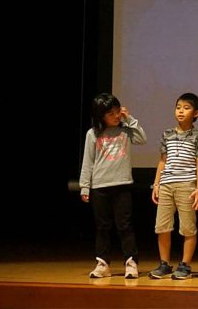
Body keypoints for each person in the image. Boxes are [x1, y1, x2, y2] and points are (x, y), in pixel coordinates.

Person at [79, 93, 147, 279]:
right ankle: (103, 264)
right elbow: (88, 161)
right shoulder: (93, 133)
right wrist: (85, 186)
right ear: (101, 116)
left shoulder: (126, 130)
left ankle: (131, 262)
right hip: (100, 186)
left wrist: (130, 119)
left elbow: (142, 139)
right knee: (102, 227)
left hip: (122, 185)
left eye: (118, 111)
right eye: (111, 113)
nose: (116, 116)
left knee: (125, 226)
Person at [148, 93, 198, 280]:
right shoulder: (167, 134)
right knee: (162, 226)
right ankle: (164, 264)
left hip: (187, 185)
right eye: (178, 107)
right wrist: (156, 183)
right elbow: (162, 161)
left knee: (188, 227)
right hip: (166, 184)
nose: (181, 111)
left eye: (186, 108)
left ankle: (185, 265)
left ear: (196, 113)